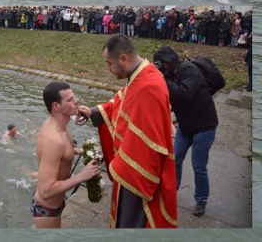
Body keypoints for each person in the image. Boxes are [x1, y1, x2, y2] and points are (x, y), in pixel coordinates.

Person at [76, 35, 177, 228]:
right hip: (128, 164)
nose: (108, 69)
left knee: (130, 219)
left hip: (137, 172)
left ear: (123, 58)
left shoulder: (148, 85)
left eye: (109, 63)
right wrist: (93, 112)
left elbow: (149, 141)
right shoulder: (141, 74)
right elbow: (119, 103)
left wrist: (120, 166)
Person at [153, 46, 218, 217]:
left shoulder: (190, 70)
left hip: (204, 126)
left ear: (169, 61)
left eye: (162, 64)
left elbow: (184, 94)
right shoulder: (170, 75)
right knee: (175, 159)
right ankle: (171, 191)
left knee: (199, 165)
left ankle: (201, 199)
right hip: (186, 126)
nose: (161, 68)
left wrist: (162, 79)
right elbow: (170, 98)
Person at [32, 81, 99, 228]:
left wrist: (78, 150)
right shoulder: (53, 140)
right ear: (56, 106)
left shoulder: (59, 124)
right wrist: (82, 176)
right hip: (47, 210)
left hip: (56, 203)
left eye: (74, 97)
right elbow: (45, 191)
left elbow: (62, 152)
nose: (77, 102)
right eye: (70, 100)